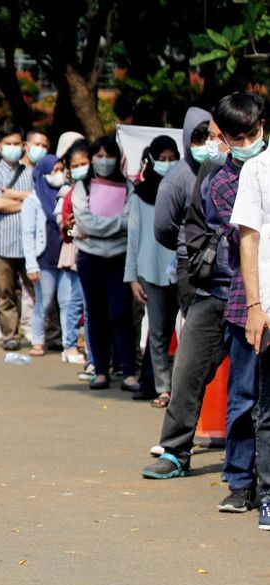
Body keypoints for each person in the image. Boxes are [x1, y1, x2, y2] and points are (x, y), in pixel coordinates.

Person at [144, 94, 264, 491]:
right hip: (216, 290)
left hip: (261, 294)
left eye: (250, 133)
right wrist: (191, 284)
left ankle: (254, 472)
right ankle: (176, 449)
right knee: (189, 370)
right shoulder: (211, 177)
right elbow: (187, 233)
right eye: (228, 136)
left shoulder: (264, 171)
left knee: (252, 390)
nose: (239, 142)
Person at [231, 98, 270, 529]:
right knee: (268, 407)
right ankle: (268, 496)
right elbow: (249, 241)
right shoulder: (256, 171)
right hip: (269, 304)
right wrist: (255, 306)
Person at [72, 136, 138, 391]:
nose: (103, 161)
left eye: (108, 155)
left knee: (121, 313)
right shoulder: (83, 186)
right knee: (96, 313)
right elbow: (85, 221)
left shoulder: (129, 187)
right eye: (97, 156)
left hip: (119, 258)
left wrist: (101, 227)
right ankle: (100, 370)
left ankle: (129, 371)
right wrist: (116, 225)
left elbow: (130, 220)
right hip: (90, 258)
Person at [124, 135, 180, 407]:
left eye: (172, 159)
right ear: (151, 160)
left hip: (183, 269)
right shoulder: (140, 194)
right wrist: (132, 278)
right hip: (150, 268)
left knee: (185, 330)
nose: (167, 164)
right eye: (162, 159)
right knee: (157, 332)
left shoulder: (185, 188)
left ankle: (181, 387)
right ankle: (163, 388)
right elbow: (133, 238)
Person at [154, 107, 228, 312]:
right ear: (187, 141)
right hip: (192, 264)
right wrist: (186, 244)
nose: (205, 146)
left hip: (223, 266)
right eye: (198, 140)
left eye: (210, 138)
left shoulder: (222, 169)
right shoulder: (175, 180)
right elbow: (163, 228)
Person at [22, 153, 83, 359]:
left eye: (61, 169)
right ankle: (38, 340)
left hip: (65, 257)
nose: (59, 174)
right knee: (44, 301)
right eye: (54, 170)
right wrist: (31, 265)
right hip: (44, 258)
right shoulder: (33, 200)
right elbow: (27, 234)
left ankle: (69, 344)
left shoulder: (69, 195)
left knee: (67, 302)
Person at [0, 124, 36, 350]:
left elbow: (41, 200)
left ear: (24, 146)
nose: (13, 148)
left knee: (37, 291)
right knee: (4, 291)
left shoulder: (33, 174)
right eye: (8, 144)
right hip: (0, 242)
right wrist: (27, 202)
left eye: (16, 144)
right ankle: (10, 335)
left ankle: (45, 334)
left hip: (30, 243)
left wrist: (14, 199)